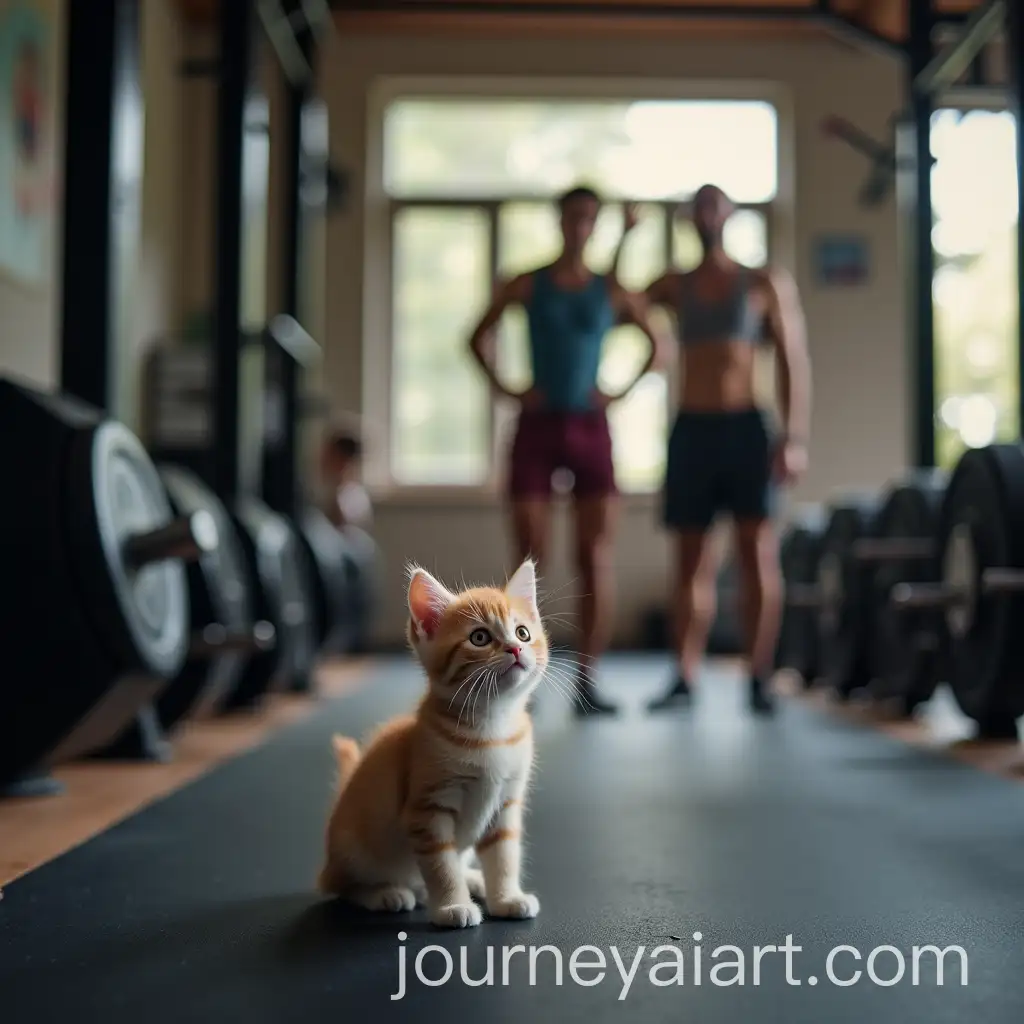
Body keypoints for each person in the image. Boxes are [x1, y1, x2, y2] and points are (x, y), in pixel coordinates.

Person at [466, 184, 670, 716]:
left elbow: (658, 347)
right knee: (530, 558)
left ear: (595, 225)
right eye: (573, 216)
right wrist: (509, 389)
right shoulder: (527, 283)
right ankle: (518, 677)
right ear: (560, 221)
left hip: (589, 425)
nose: (580, 226)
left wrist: (618, 392)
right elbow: (476, 337)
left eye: (588, 218)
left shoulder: (612, 290)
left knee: (594, 556)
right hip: (536, 425)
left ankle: (587, 681)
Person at [628, 184, 812, 715]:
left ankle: (759, 675)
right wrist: (624, 239)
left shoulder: (761, 282)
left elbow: (791, 361)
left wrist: (793, 438)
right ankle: (685, 675)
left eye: (716, 204)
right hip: (693, 429)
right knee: (689, 560)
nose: (707, 213)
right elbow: (621, 306)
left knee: (757, 554)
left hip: (746, 429)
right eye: (699, 206)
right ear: (689, 218)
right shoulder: (673, 285)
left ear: (729, 214)